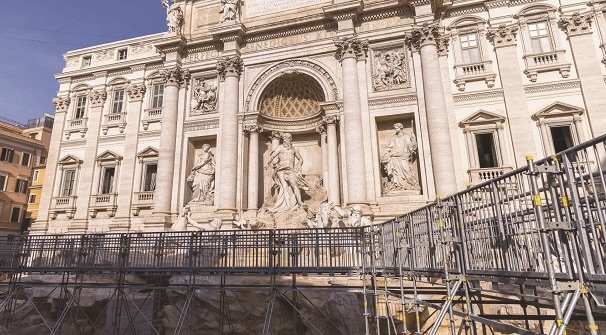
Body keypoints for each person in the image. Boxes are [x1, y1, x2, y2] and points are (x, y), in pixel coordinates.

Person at [265, 133, 309, 212]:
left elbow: (301, 159)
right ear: (283, 139)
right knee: (284, 187)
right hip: (281, 169)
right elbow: (272, 156)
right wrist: (267, 163)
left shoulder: (294, 149)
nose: (287, 139)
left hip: (290, 169)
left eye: (289, 138)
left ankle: (300, 202)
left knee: (294, 185)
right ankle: (288, 206)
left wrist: (298, 164)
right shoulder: (280, 148)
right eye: (286, 138)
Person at [381, 122, 419, 191]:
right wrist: (385, 153)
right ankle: (396, 185)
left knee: (406, 171)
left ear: (401, 128)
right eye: (395, 128)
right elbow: (388, 147)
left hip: (403, 156)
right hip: (395, 156)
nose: (396, 130)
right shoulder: (393, 138)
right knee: (395, 171)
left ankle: (411, 184)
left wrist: (413, 140)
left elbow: (410, 147)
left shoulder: (406, 137)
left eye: (397, 128)